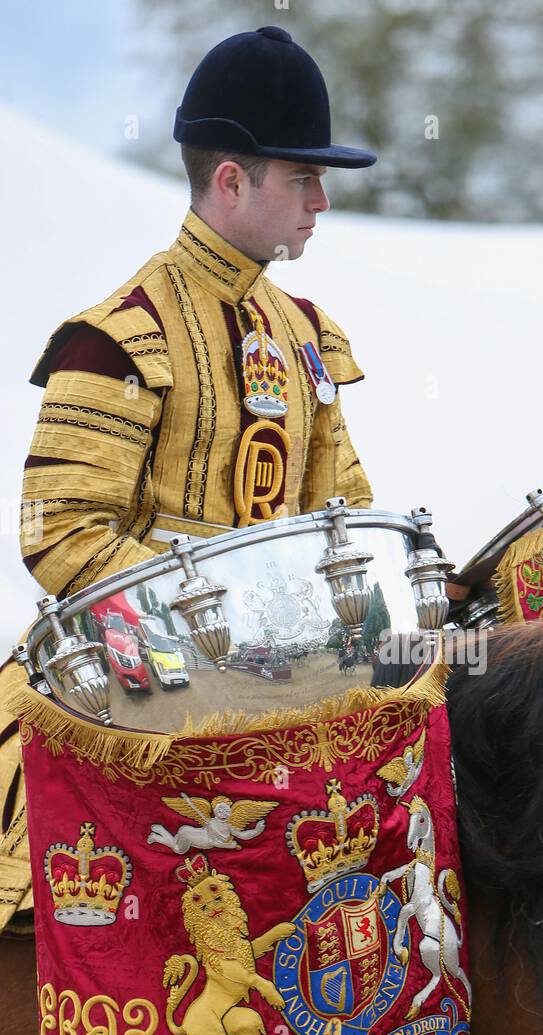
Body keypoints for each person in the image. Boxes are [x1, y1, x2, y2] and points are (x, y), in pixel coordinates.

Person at [0, 26, 378, 929]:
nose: (322, 200)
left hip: (285, 681)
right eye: (302, 177)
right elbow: (61, 533)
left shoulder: (309, 334)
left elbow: (348, 517)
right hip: (128, 683)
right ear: (231, 180)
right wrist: (207, 652)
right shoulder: (115, 336)